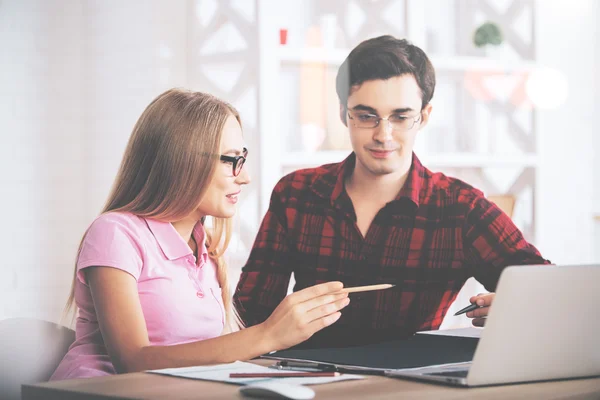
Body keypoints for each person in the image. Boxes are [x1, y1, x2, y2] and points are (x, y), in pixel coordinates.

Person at [234, 35, 550, 348]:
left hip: (411, 387)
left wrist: (516, 308)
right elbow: (248, 316)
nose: (383, 136)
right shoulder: (297, 194)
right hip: (305, 383)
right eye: (367, 116)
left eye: (400, 117)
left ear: (423, 117)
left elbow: (550, 292)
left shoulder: (460, 208)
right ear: (344, 114)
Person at [50, 89, 349, 380]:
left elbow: (209, 355)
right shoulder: (115, 234)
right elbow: (133, 361)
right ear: (184, 161)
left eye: (242, 159)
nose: (245, 177)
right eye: (232, 160)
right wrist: (269, 335)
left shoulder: (207, 250)